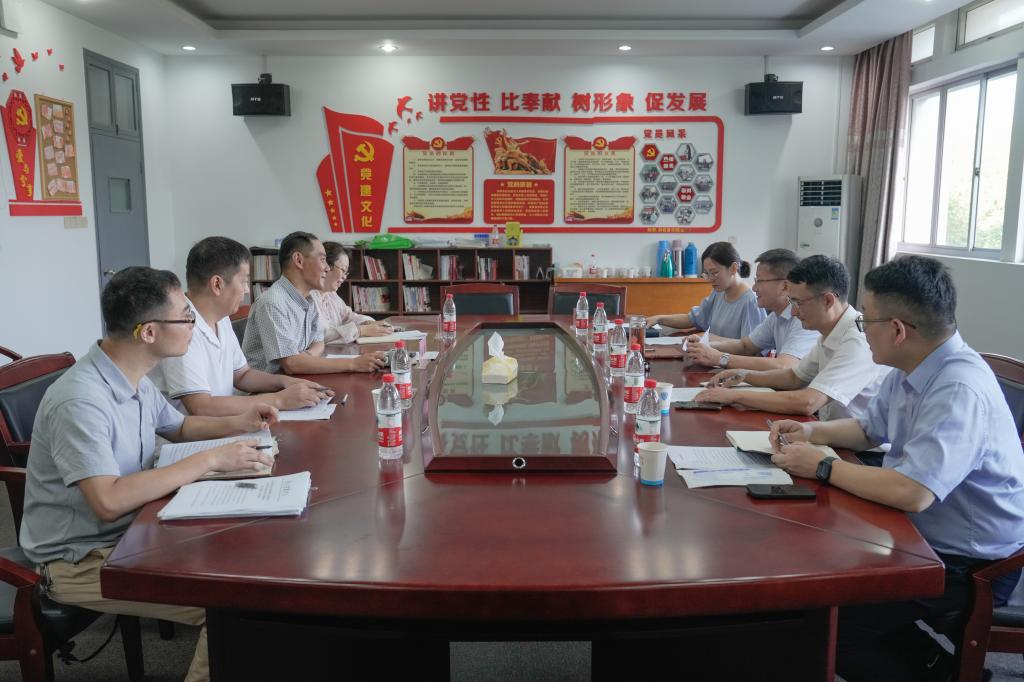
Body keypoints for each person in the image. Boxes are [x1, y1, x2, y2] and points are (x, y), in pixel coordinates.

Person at [768, 255, 1024, 681]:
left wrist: (824, 467)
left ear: (898, 330)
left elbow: (913, 492)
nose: (860, 328)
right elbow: (868, 430)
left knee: (827, 626)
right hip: (918, 534)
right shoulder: (912, 365)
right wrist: (812, 432)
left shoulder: (958, 387)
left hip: (970, 563)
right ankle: (935, 665)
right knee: (818, 578)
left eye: (866, 320)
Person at [21, 267, 280, 682]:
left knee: (247, 556)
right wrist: (209, 461)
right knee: (233, 606)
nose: (194, 324)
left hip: (135, 530)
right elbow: (108, 501)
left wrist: (243, 421)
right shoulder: (81, 399)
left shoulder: (131, 375)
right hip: (80, 560)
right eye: (185, 316)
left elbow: (179, 427)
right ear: (148, 332)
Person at [151, 236, 331, 416]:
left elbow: (242, 375)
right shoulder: (179, 327)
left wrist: (285, 382)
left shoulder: (220, 317)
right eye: (244, 281)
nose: (246, 290)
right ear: (217, 284)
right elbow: (201, 407)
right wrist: (279, 399)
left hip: (223, 422)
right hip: (196, 431)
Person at [696, 255, 889, 422]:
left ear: (828, 300)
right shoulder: (829, 331)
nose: (794, 312)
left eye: (798, 303)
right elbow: (794, 377)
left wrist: (734, 396)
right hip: (830, 430)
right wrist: (742, 375)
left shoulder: (856, 340)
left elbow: (809, 402)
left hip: (858, 448)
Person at [241, 231, 387, 374]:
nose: (327, 268)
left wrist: (305, 359)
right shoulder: (273, 303)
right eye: (322, 260)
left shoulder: (308, 299)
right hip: (267, 386)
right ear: (298, 260)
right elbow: (291, 364)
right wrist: (353, 363)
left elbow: (319, 342)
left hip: (295, 379)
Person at [683, 248, 819, 371]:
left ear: (785, 286)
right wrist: (703, 345)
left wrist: (720, 358)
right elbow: (745, 346)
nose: (754, 288)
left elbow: (783, 365)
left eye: (760, 281)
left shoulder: (804, 318)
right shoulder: (776, 316)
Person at [648, 242, 766, 340]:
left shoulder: (750, 302)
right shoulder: (719, 292)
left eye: (714, 273)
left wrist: (708, 338)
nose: (710, 279)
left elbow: (749, 348)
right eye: (707, 274)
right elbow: (693, 319)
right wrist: (659, 319)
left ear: (733, 268)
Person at [311, 241, 394, 344]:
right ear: (326, 266)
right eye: (343, 270)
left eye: (347, 273)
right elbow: (319, 337)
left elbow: (349, 316)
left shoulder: (331, 295)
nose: (344, 277)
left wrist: (368, 322)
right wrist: (361, 330)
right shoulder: (308, 298)